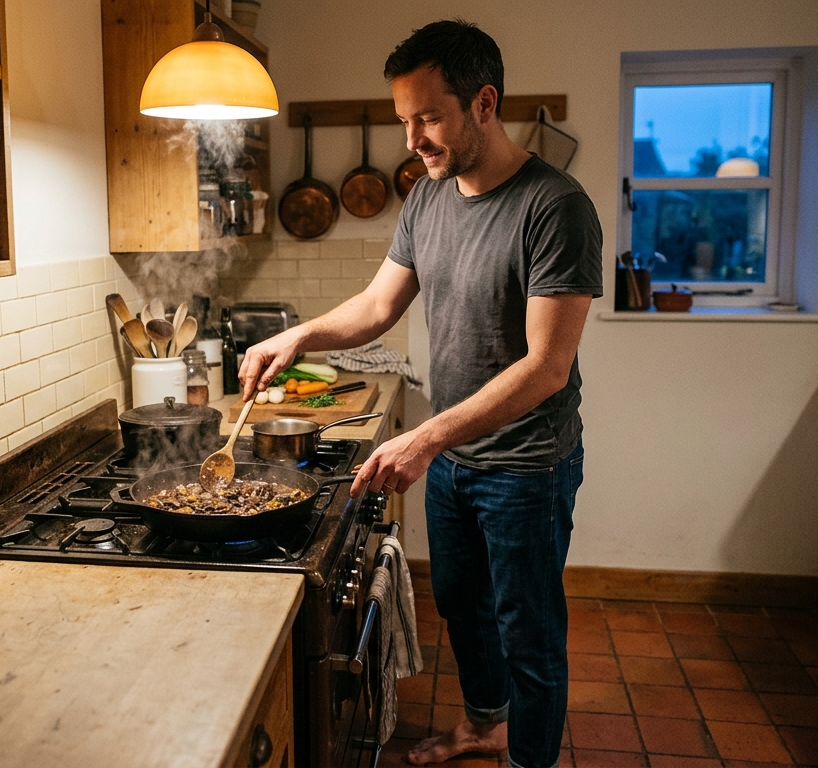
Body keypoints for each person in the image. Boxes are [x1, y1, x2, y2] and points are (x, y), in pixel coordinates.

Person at [238, 19, 602, 768]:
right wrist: (296, 336)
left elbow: (547, 367)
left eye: (428, 117)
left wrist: (428, 436)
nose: (412, 139)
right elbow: (377, 308)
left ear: (484, 104)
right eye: (404, 120)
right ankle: (482, 726)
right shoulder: (429, 200)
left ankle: (526, 759)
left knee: (529, 636)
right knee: (464, 612)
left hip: (528, 467)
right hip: (458, 463)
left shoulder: (554, 206)